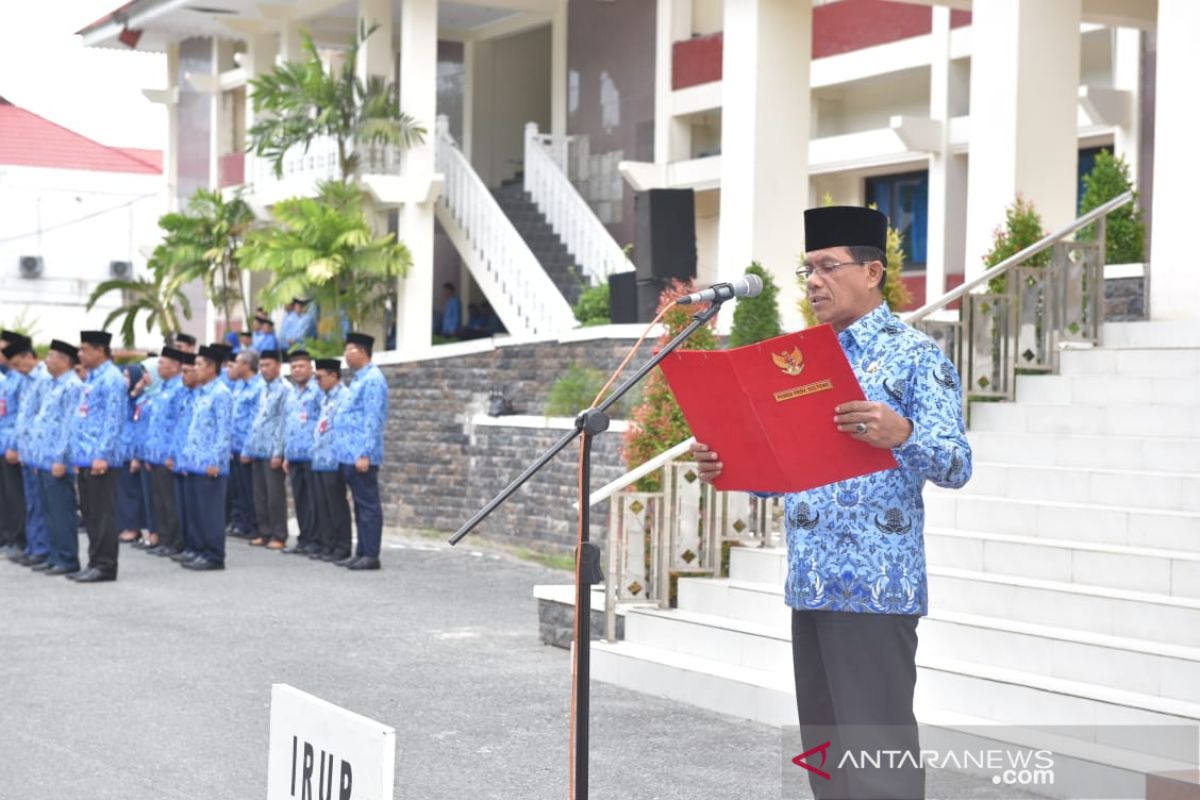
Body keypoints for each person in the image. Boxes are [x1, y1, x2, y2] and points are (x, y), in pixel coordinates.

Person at [692, 206, 972, 800]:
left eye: (827, 267)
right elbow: (792, 471)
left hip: (876, 588)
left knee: (880, 767)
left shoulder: (916, 356)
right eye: (807, 270)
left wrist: (904, 436)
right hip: (812, 583)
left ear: (872, 273)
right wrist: (733, 468)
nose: (813, 281)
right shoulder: (800, 359)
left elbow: (957, 464)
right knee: (827, 767)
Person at [68, 330, 127, 584]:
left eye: (84, 349)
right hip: (85, 456)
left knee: (102, 514)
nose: (80, 354)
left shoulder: (111, 378)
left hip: (101, 459)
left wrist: (102, 454)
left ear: (100, 351)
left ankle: (105, 565)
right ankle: (94, 561)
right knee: (90, 513)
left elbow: (112, 420)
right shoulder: (92, 378)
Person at [333, 332, 388, 571]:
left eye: (349, 349)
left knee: (368, 506)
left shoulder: (373, 379)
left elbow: (373, 419)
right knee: (359, 505)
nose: (345, 354)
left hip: (361, 455)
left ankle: (371, 554)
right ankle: (361, 551)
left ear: (362, 352)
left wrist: (365, 453)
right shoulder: (358, 378)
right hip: (349, 453)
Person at [30, 341, 85, 576]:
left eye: (51, 356)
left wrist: (62, 459)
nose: (46, 360)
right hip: (45, 458)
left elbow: (69, 425)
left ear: (65, 361)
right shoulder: (52, 385)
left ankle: (67, 558)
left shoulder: (72, 385)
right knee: (49, 510)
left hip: (58, 460)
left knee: (62, 510)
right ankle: (54, 555)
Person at [177, 345, 233, 570]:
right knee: (196, 510)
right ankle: (198, 549)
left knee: (210, 512)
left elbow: (223, 431)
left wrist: (216, 462)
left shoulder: (221, 393)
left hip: (210, 464)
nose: (195, 369)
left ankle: (213, 555)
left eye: (200, 365)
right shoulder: (200, 393)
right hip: (194, 461)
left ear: (211, 368)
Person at [140, 347, 190, 558]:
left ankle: (175, 542)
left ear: (177, 366)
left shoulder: (180, 389)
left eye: (163, 363)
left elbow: (180, 425)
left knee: (171, 502)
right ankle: (164, 538)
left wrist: (173, 454)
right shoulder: (162, 389)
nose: (159, 366)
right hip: (156, 453)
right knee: (159, 500)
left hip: (169, 454)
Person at [10, 342, 49, 566]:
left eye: (18, 364)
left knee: (41, 504)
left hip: (39, 452)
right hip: (26, 450)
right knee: (31, 503)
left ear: (29, 357)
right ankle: (34, 546)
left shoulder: (43, 379)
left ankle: (42, 548)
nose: (16, 369)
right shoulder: (26, 381)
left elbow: (42, 420)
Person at [245, 349, 289, 549]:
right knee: (259, 495)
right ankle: (264, 532)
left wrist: (279, 452)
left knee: (274, 496)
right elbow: (254, 420)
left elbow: (283, 422)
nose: (264, 369)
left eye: (268, 365)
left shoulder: (285, 389)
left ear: (278, 366)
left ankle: (278, 535)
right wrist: (249, 447)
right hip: (258, 448)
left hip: (273, 450)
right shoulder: (261, 388)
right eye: (261, 366)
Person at [280, 350, 322, 555]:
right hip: (295, 454)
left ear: (311, 368)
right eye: (293, 367)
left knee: (315, 500)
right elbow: (289, 424)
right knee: (300, 499)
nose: (297, 370)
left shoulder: (318, 391)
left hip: (312, 455)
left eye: (301, 366)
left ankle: (316, 540)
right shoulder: (291, 393)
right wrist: (286, 454)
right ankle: (304, 539)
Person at [311, 358, 351, 563]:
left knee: (336, 505)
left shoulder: (344, 396)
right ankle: (328, 544)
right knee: (322, 504)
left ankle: (342, 545)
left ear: (334, 376)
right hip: (320, 457)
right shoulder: (324, 397)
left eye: (320, 377)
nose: (317, 382)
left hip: (334, 458)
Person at [0, 335, 35, 558]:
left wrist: (14, 445)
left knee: (16, 496)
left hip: (11, 445)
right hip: (2, 443)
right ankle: (8, 537)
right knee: (4, 496)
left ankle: (19, 540)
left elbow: (20, 418)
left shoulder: (22, 381)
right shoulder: (9, 380)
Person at [166, 352, 200, 563]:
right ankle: (187, 545)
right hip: (179, 456)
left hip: (196, 461)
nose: (183, 376)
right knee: (183, 507)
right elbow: (175, 428)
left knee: (197, 509)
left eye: (187, 372)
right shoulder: (183, 394)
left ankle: (198, 548)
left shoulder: (203, 396)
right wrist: (172, 454)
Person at [116, 364, 153, 545]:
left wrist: (137, 456)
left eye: (128, 376)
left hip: (133, 450)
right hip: (122, 449)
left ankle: (134, 528)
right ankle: (126, 526)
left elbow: (139, 425)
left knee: (132, 492)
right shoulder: (128, 398)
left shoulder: (144, 399)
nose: (125, 380)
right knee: (123, 491)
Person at [228, 349, 263, 539]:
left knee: (251, 489)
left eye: (238, 362)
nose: (234, 365)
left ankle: (254, 525)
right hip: (234, 445)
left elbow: (254, 421)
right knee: (238, 489)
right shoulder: (239, 386)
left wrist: (248, 448)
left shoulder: (258, 387)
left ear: (247, 365)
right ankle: (242, 522)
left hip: (246, 447)